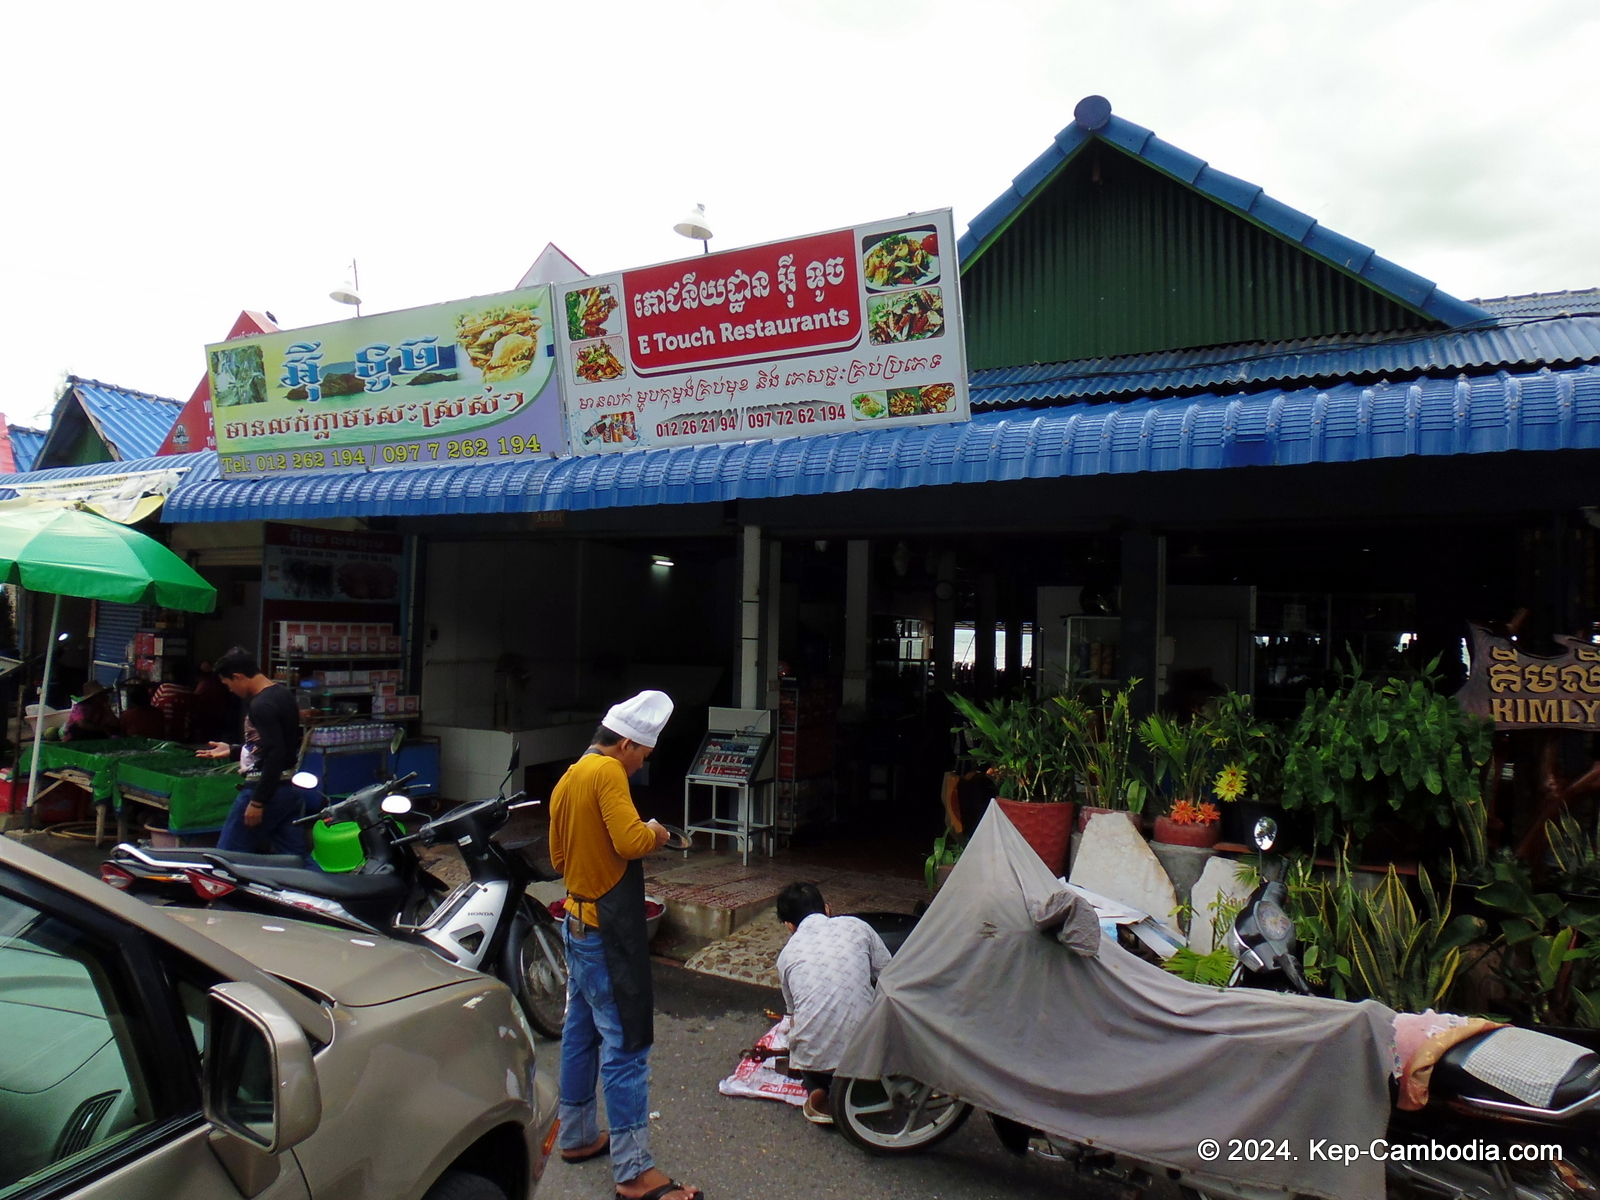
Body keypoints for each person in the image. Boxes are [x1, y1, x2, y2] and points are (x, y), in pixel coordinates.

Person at [548, 690, 702, 1200]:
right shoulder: (607, 772)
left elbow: (556, 855)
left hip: (574, 918)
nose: (640, 767)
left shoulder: (570, 776)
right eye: (643, 755)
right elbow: (629, 842)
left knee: (581, 1030)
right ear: (627, 744)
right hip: (605, 932)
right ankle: (633, 1172)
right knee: (627, 1044)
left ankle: (575, 1135)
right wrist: (656, 832)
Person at [774, 881, 892, 1126]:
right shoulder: (856, 926)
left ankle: (817, 1089)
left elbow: (792, 1014)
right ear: (827, 909)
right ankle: (864, 1088)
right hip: (867, 1050)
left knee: (808, 1052)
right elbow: (888, 975)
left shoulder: (786, 956)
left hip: (816, 1058)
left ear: (789, 926)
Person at [197, 646, 314, 859]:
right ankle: (323, 891)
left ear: (238, 677)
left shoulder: (261, 705)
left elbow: (275, 753)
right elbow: (275, 745)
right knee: (296, 859)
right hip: (289, 789)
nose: (231, 690)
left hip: (265, 788)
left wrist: (257, 801)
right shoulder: (282, 694)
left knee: (227, 857)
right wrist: (233, 750)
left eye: (228, 684)